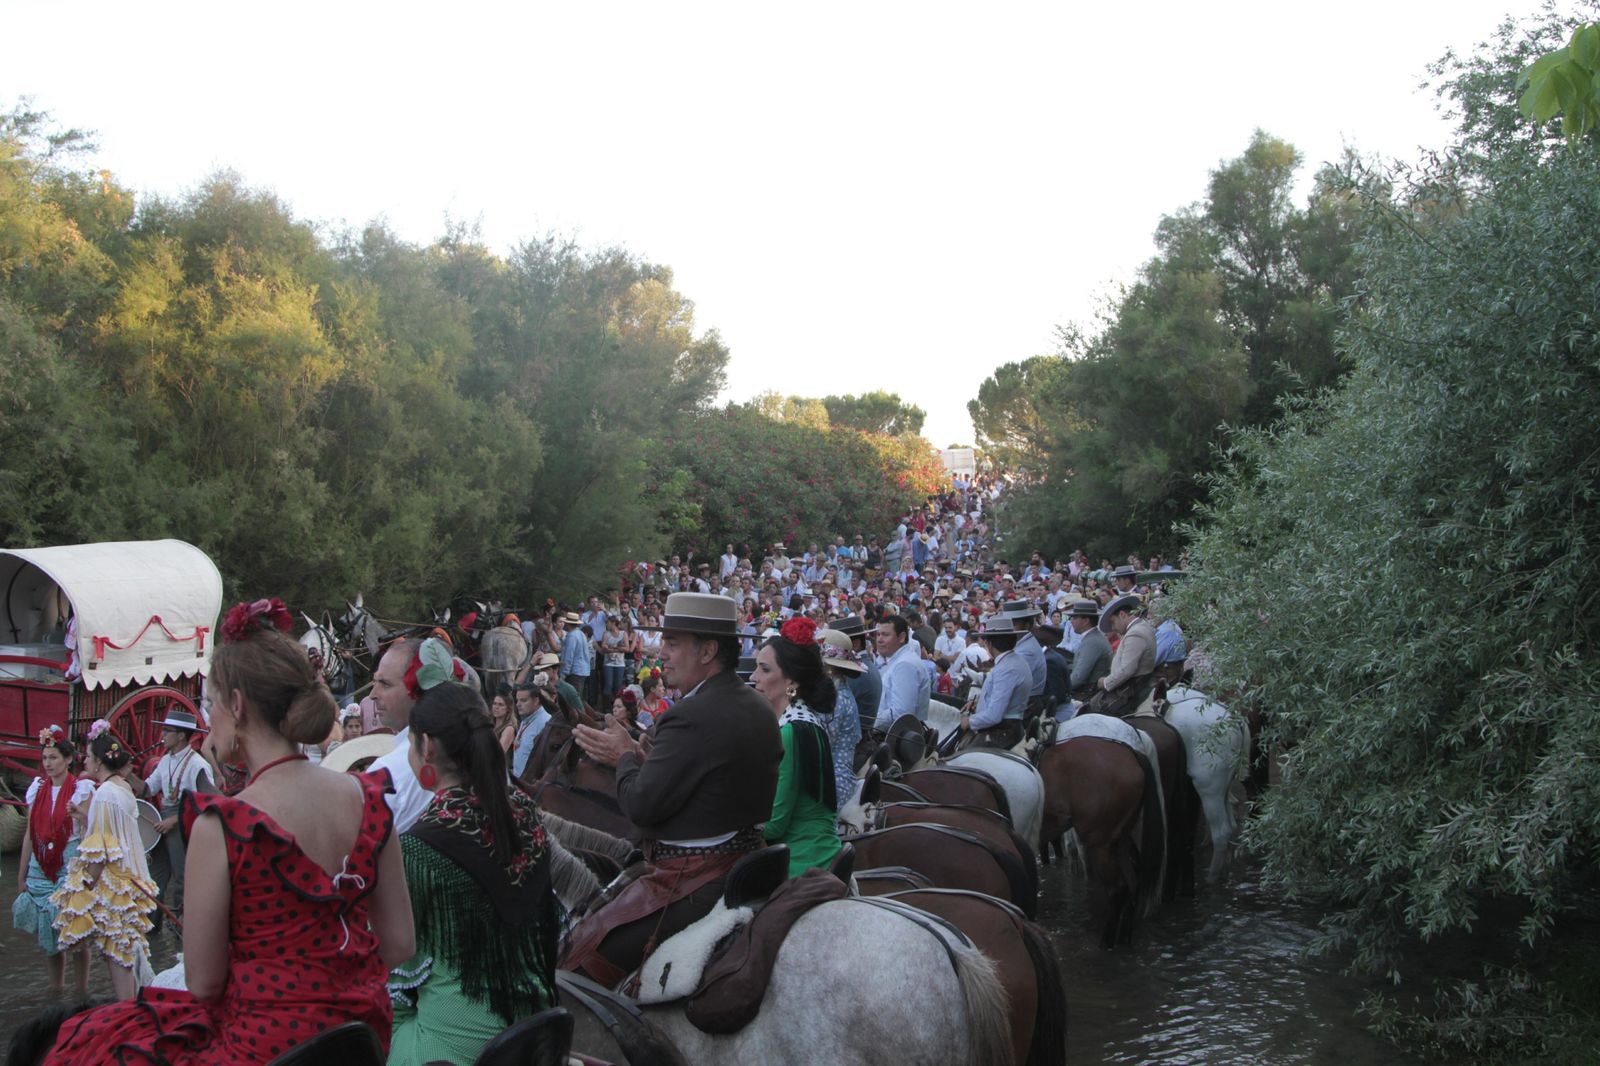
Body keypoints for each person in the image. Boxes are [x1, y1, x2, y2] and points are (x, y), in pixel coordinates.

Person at [41, 596, 416, 1063]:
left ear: (236, 705)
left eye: (210, 703)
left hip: (267, 1047)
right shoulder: (370, 800)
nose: (207, 719)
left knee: (88, 1042)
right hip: (360, 1038)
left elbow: (203, 982)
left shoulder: (225, 825)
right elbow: (400, 944)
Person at [562, 592, 782, 988]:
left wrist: (624, 757)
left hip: (694, 876)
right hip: (745, 858)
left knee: (578, 958)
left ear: (708, 650)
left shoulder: (689, 716)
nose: (660, 652)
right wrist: (646, 760)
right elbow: (711, 785)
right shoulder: (757, 705)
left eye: (672, 643)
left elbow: (641, 807)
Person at [387, 683, 558, 1066]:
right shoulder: (526, 813)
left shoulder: (418, 848)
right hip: (538, 1021)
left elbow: (399, 969)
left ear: (426, 747)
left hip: (456, 1046)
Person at [48, 720, 157, 1001]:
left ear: (98, 762)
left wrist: (84, 886)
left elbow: (103, 850)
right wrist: (85, 817)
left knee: (117, 953)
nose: (84, 760)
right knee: (127, 951)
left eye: (87, 756)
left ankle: (128, 1015)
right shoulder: (121, 788)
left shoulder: (106, 793)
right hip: (131, 879)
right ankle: (135, 1007)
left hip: (116, 883)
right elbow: (115, 833)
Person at [751, 618, 843, 879]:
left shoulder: (791, 731)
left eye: (765, 670)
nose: (754, 677)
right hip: (814, 852)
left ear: (791, 682)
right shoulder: (804, 721)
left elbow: (775, 824)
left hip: (800, 862)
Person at [11, 726, 93, 993]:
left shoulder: (82, 789)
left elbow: (92, 832)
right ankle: (55, 989)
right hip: (41, 860)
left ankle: (81, 990)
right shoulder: (38, 789)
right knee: (48, 927)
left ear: (68, 759)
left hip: (70, 861)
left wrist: (81, 814)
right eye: (45, 758)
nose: (48, 764)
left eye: (54, 758)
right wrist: (21, 875)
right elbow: (30, 833)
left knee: (76, 928)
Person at [130, 707, 211, 927]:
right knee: (155, 874)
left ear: (182, 735)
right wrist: (127, 774)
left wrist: (173, 821)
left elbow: (204, 804)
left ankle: (181, 924)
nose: (163, 735)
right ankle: (150, 923)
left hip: (183, 822)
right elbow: (147, 789)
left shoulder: (198, 765)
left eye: (168, 731)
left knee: (182, 876)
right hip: (163, 819)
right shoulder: (165, 760)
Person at [956, 615, 1031, 749]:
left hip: (1003, 731)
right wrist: (980, 702)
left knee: (961, 760)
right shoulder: (1014, 661)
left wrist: (969, 721)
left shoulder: (1006, 668)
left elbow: (994, 715)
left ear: (989, 644)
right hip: (1008, 727)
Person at [816, 628, 866, 804]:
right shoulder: (835, 691)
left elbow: (821, 745)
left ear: (828, 667)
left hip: (832, 781)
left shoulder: (836, 698)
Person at [873, 614, 930, 731]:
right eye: (878, 634)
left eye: (885, 635)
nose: (879, 639)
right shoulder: (900, 660)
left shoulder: (905, 664)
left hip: (897, 740)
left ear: (902, 637)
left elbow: (902, 713)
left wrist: (871, 722)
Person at [1067, 601, 1112, 702]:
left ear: (1085, 621)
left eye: (1074, 617)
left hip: (1088, 695)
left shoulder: (1092, 642)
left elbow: (1078, 678)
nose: (1071, 621)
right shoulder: (1093, 638)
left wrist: (1060, 688)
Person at [488, 684, 518, 755]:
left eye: (501, 705)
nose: (496, 707)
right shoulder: (490, 724)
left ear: (508, 708)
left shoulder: (509, 729)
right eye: (495, 704)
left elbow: (499, 754)